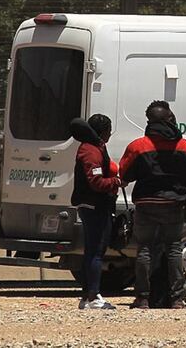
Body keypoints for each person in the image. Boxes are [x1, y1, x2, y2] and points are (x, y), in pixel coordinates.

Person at [120, 100, 186, 309]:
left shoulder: (138, 146)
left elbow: (125, 173)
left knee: (144, 250)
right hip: (174, 204)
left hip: (146, 203)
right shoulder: (184, 146)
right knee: (174, 249)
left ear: (149, 120)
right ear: (169, 118)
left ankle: (143, 298)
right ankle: (177, 299)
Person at [70, 113, 121, 311]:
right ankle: (93, 297)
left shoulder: (91, 148)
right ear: (102, 131)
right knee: (96, 251)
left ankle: (88, 295)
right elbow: (96, 182)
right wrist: (116, 182)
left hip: (93, 205)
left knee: (92, 251)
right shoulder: (91, 151)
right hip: (94, 206)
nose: (109, 135)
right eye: (108, 131)